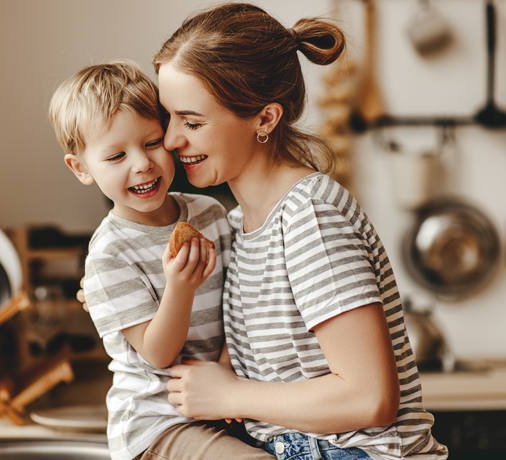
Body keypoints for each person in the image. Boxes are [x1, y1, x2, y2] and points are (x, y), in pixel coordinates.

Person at [148, 3, 448, 459]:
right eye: (169, 117)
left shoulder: (309, 216)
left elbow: (370, 398)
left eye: (192, 122)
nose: (171, 140)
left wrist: (230, 395)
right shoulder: (238, 226)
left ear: (265, 119)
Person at [48, 60, 274, 460]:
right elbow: (157, 355)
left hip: (223, 407)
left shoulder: (209, 214)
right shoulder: (109, 254)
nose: (141, 163)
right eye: (116, 156)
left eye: (152, 142)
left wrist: (226, 375)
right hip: (157, 425)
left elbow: (238, 304)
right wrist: (181, 288)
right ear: (81, 167)